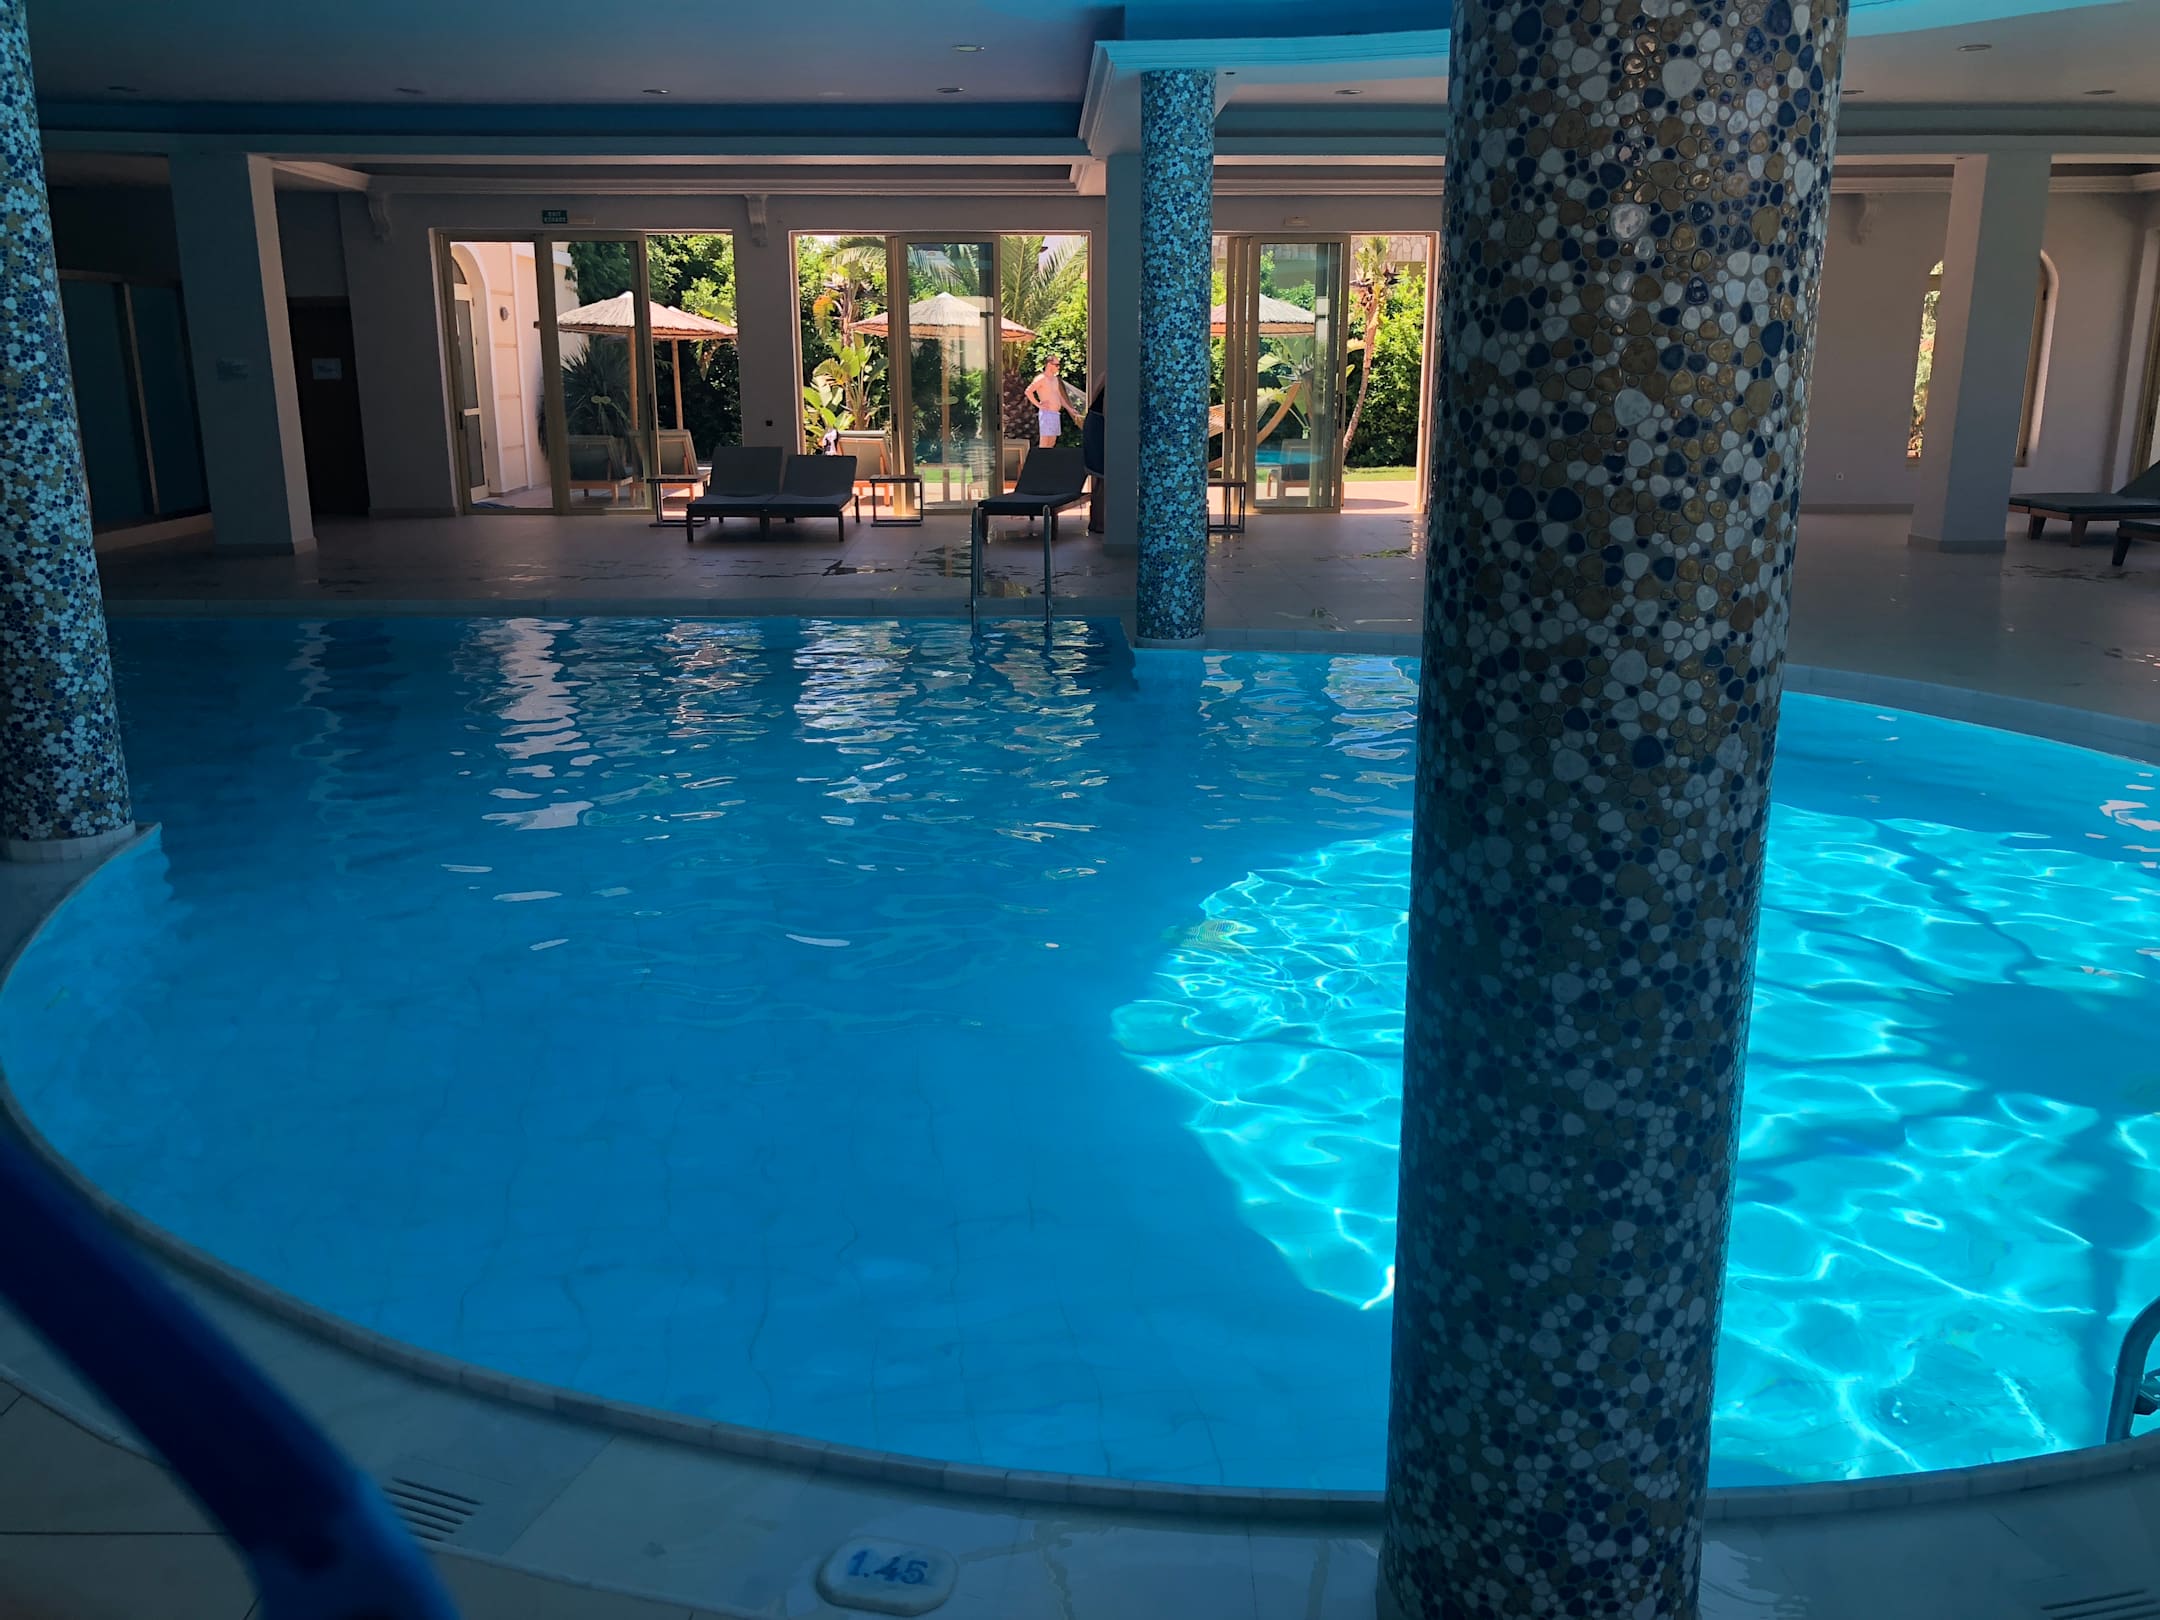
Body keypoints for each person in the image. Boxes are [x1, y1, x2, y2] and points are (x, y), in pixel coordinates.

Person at [1024, 355, 1070, 448]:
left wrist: (1070, 409)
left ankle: (1048, 458)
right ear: (1049, 365)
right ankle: (1041, 458)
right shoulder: (1041, 378)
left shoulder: (1055, 379)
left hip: (1055, 413)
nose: (1058, 367)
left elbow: (1059, 397)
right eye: (1056, 365)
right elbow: (1028, 391)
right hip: (1047, 413)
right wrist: (1038, 405)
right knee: (1045, 442)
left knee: (1052, 442)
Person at [1082, 380, 1106, 534]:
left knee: (1101, 480)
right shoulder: (1113, 380)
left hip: (1094, 423)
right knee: (1105, 479)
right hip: (1099, 426)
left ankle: (1096, 521)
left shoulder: (1106, 376)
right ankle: (1100, 522)